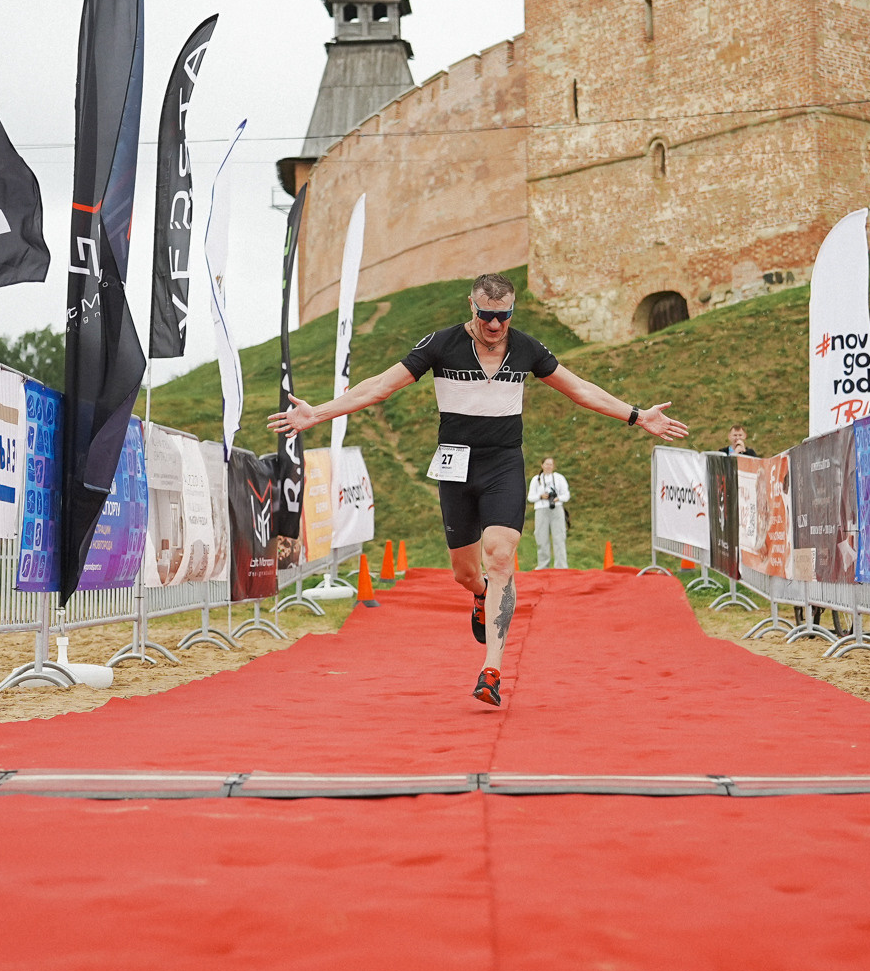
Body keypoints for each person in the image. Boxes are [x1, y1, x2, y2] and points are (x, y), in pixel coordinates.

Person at [270, 273, 687, 707]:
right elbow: (379, 387)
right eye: (486, 315)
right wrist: (318, 413)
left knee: (500, 555)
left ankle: (492, 671)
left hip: (503, 464)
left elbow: (579, 389)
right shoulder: (441, 345)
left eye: (503, 316)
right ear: (471, 306)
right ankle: (481, 594)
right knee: (465, 573)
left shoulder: (526, 349)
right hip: (455, 468)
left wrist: (638, 415)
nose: (494, 325)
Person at [526, 455, 571, 570]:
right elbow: (530, 497)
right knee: (541, 537)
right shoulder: (536, 479)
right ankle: (543, 565)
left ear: (553, 466)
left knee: (559, 537)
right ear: (542, 465)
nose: (548, 466)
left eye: (551, 464)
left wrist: (558, 498)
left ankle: (561, 566)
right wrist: (540, 496)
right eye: (546, 464)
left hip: (557, 508)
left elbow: (566, 495)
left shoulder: (559, 478)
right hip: (541, 509)